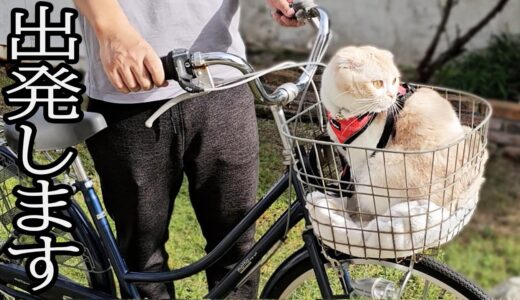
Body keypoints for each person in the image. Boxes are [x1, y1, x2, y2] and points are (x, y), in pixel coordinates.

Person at [73, 0, 302, 298]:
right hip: (130, 92)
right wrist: (112, 30)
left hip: (223, 80)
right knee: (144, 259)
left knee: (238, 249)